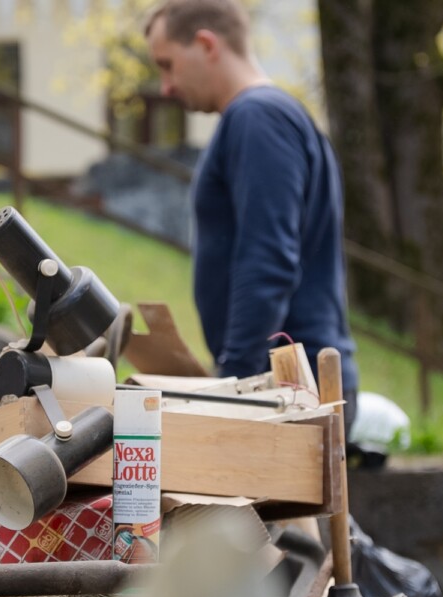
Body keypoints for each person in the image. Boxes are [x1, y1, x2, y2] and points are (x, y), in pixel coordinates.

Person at [144, 0, 358, 429]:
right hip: (287, 387)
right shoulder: (268, 116)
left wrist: (236, 383)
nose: (165, 86)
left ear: (206, 44)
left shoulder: (257, 118)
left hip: (288, 393)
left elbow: (268, 259)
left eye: (167, 65)